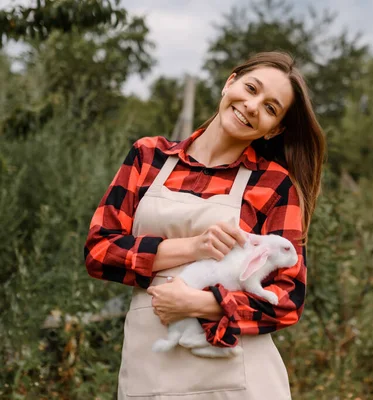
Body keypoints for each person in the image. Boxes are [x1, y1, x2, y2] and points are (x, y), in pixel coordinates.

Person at [84, 51, 326, 400]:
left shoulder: (274, 185)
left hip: (237, 381)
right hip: (148, 373)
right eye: (251, 88)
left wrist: (201, 303)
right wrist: (195, 247)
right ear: (230, 82)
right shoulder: (148, 157)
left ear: (275, 129)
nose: (253, 106)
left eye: (271, 108)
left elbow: (288, 299)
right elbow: (99, 251)